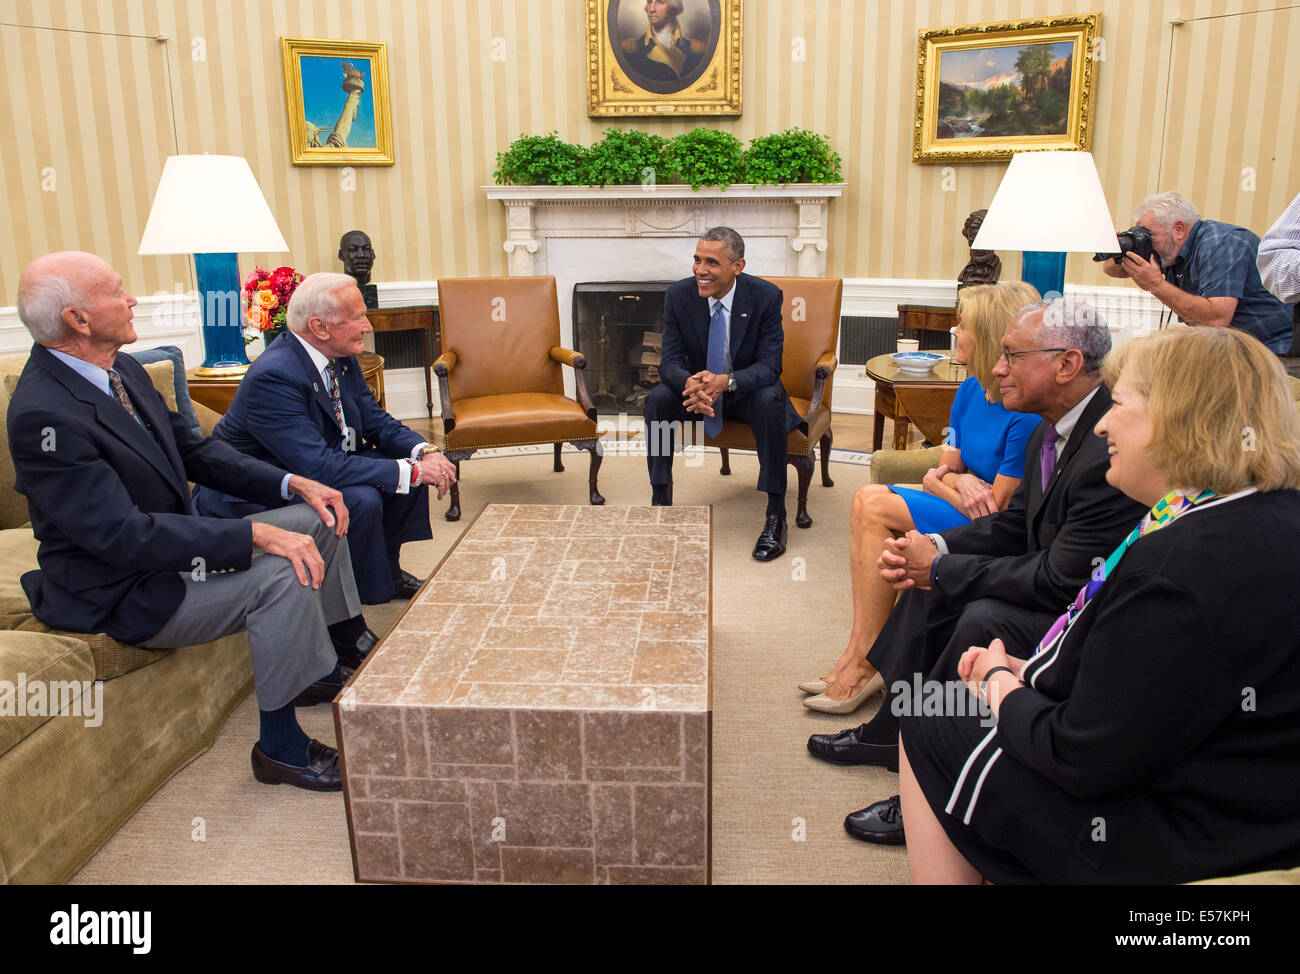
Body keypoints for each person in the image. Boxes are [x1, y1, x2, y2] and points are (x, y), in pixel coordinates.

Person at [902, 326, 1300, 883]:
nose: (1104, 425)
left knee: (929, 712)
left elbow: (1079, 756)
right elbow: (1154, 687)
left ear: (1182, 417)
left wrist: (999, 681)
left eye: (1117, 404)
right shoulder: (1250, 512)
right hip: (1246, 798)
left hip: (1187, 836)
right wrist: (1028, 671)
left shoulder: (1177, 570)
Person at [8, 251, 377, 792]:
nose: (133, 298)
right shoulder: (45, 414)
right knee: (282, 571)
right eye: (117, 291)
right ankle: (279, 748)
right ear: (78, 320)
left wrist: (290, 483)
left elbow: (198, 454)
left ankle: (327, 658)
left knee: (315, 516)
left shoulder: (122, 368)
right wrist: (255, 532)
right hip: (123, 588)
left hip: (174, 555)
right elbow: (121, 535)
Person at [806, 297, 1147, 844]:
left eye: (1012, 354)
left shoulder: (1107, 447)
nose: (996, 366)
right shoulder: (1049, 426)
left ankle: (933, 780)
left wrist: (942, 567)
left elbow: (1062, 580)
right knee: (930, 583)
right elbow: (1016, 527)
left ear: (1066, 364)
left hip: (1093, 612)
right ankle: (891, 731)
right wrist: (935, 547)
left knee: (974, 609)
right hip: (1053, 579)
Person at [801, 281, 1041, 714]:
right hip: (960, 506)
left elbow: (998, 507)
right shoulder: (969, 390)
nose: (954, 333)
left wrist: (948, 480)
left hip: (989, 529)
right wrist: (955, 483)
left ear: (986, 335)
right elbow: (943, 469)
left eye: (962, 325)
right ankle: (857, 654)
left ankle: (864, 663)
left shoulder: (1022, 410)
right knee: (867, 504)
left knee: (872, 503)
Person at [196, 272, 456, 604]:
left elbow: (374, 420)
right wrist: (412, 470)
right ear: (320, 327)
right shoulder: (275, 375)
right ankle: (358, 605)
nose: (368, 326)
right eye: (359, 317)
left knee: (404, 477)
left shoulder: (339, 355)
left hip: (318, 464)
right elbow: (317, 466)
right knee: (363, 496)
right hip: (258, 490)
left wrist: (423, 452)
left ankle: (388, 574)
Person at [645, 226, 802, 561]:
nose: (700, 270)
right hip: (699, 391)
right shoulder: (678, 296)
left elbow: (770, 366)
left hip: (743, 392)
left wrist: (725, 381)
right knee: (658, 399)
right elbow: (669, 361)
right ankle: (660, 501)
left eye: (712, 262)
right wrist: (690, 383)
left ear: (738, 266)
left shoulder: (765, 297)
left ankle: (776, 515)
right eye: (697, 259)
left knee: (769, 397)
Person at [1101, 190, 1292, 354]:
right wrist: (1121, 248)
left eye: (1148, 236)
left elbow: (1216, 319)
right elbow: (1111, 269)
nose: (1147, 244)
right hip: (1237, 350)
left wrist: (1155, 285)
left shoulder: (1222, 244)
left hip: (1276, 351)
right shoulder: (1172, 248)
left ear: (1179, 229)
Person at [620, 0, 706, 85]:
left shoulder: (695, 49)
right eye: (649, 2)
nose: (652, 9)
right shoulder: (630, 49)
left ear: (673, 8)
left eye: (660, 2)